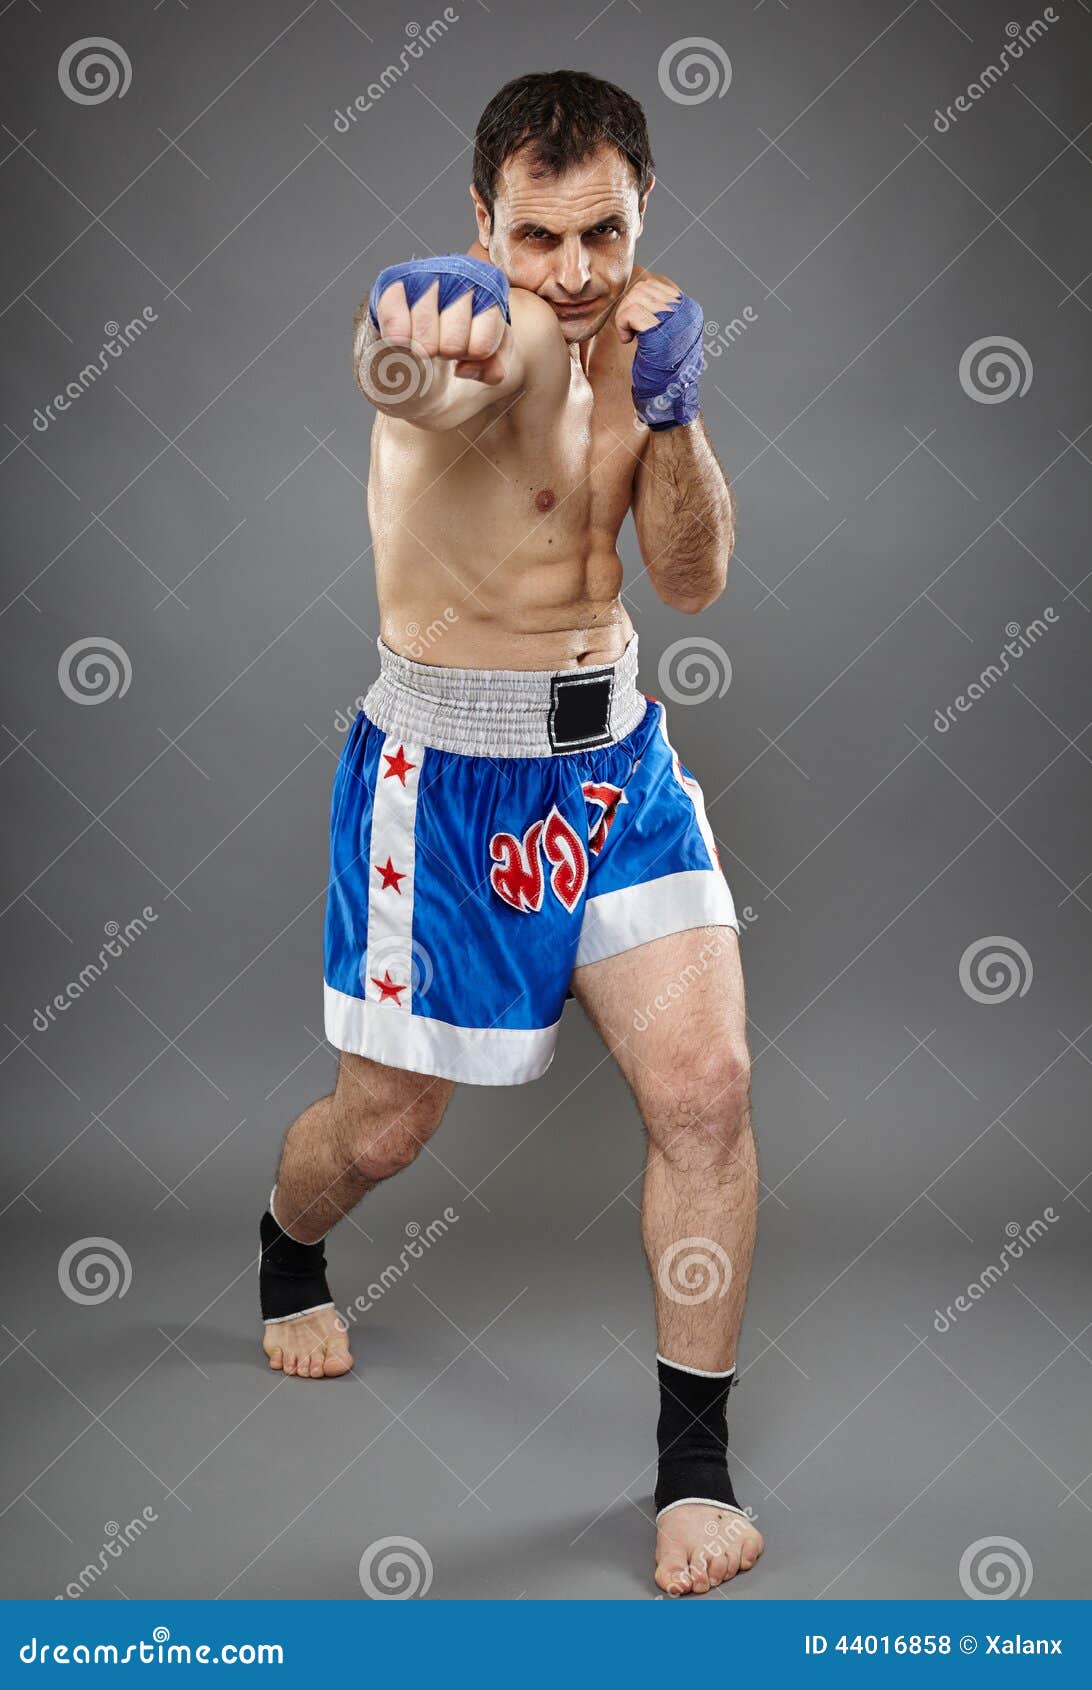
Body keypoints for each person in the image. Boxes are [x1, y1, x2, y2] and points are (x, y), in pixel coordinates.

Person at [258, 69, 762, 1597]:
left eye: (602, 232)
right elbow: (408, 380)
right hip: (447, 785)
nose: (574, 273)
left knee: (708, 1085)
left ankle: (694, 1469)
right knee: (384, 1129)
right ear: (483, 223)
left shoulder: (642, 332)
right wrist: (408, 340)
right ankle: (286, 1245)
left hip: (612, 759)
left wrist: (673, 409)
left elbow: (689, 579)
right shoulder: (487, 331)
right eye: (536, 238)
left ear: (642, 207)